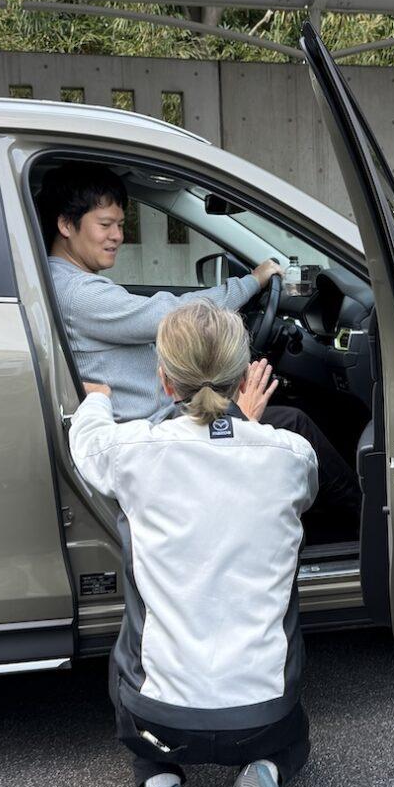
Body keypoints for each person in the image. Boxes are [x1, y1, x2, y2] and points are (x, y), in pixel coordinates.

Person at [69, 300, 317, 787]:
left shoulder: (131, 452)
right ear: (243, 375)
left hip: (158, 719)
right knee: (294, 735)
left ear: (164, 380)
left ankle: (158, 784)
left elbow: (87, 442)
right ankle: (264, 773)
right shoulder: (291, 454)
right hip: (263, 718)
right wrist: (245, 426)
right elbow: (290, 488)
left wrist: (98, 397)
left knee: (132, 652)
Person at [42, 164, 360, 522]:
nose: (117, 235)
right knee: (294, 423)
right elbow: (174, 315)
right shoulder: (78, 293)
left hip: (158, 418)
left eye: (120, 224)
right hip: (156, 429)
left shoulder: (67, 281)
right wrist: (252, 282)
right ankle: (366, 519)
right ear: (66, 225)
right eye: (105, 225)